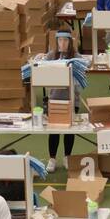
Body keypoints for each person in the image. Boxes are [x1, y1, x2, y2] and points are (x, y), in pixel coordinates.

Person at [42, 30, 80, 174]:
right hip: (55, 99)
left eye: (65, 40)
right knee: (54, 131)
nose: (62, 43)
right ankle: (52, 159)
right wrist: (40, 59)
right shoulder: (52, 55)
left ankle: (67, 157)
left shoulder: (75, 56)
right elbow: (42, 64)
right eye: (60, 40)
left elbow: (86, 63)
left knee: (69, 131)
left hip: (72, 100)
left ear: (70, 42)